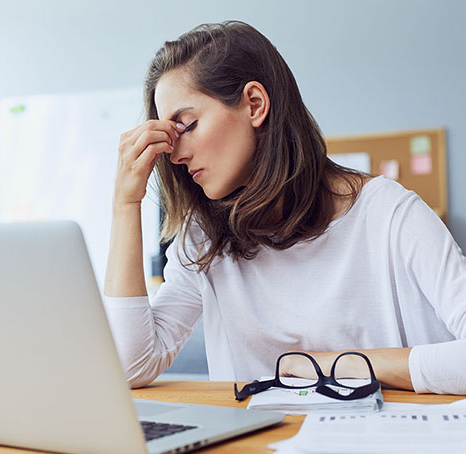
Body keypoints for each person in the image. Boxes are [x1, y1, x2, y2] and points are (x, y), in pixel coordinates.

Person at [104, 20, 466, 395]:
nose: (175, 154)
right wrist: (124, 203)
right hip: (256, 453)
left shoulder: (390, 214)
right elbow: (130, 367)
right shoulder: (203, 237)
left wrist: (338, 364)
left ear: (255, 104)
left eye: (188, 125)